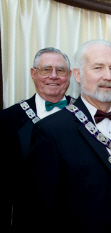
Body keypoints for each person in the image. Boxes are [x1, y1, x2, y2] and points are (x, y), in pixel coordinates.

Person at [22, 39, 111, 233]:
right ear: (78, 75)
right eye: (98, 68)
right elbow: (40, 211)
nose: (107, 76)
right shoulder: (51, 131)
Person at [0, 47, 73, 232]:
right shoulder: (8, 120)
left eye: (61, 70)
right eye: (46, 70)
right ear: (33, 74)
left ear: (70, 75)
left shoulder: (86, 114)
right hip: (28, 225)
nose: (54, 76)